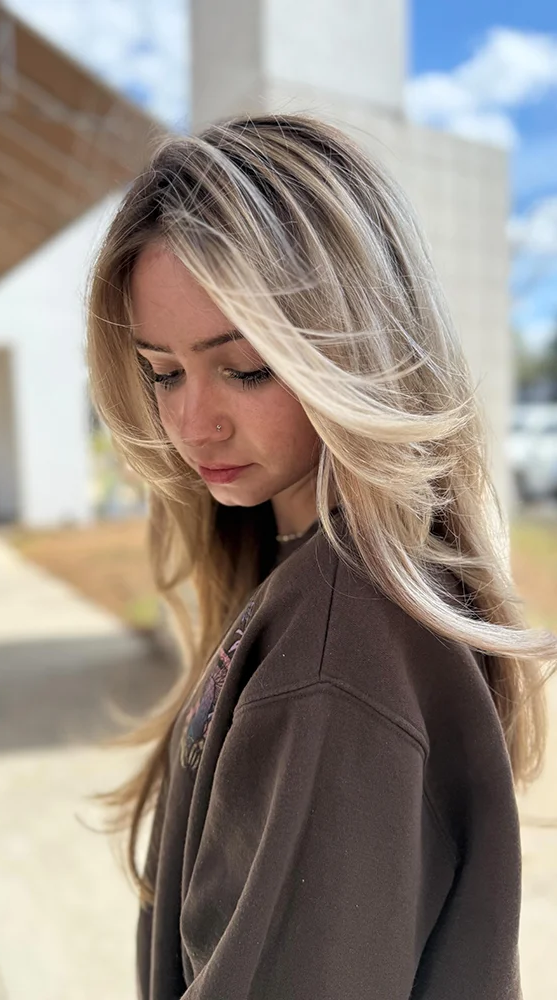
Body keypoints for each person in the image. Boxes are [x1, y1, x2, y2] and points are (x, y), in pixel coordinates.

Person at [86, 113, 556, 1000]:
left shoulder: (339, 648)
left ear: (351, 350)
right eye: (163, 371)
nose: (193, 423)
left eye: (247, 367)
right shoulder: (310, 583)